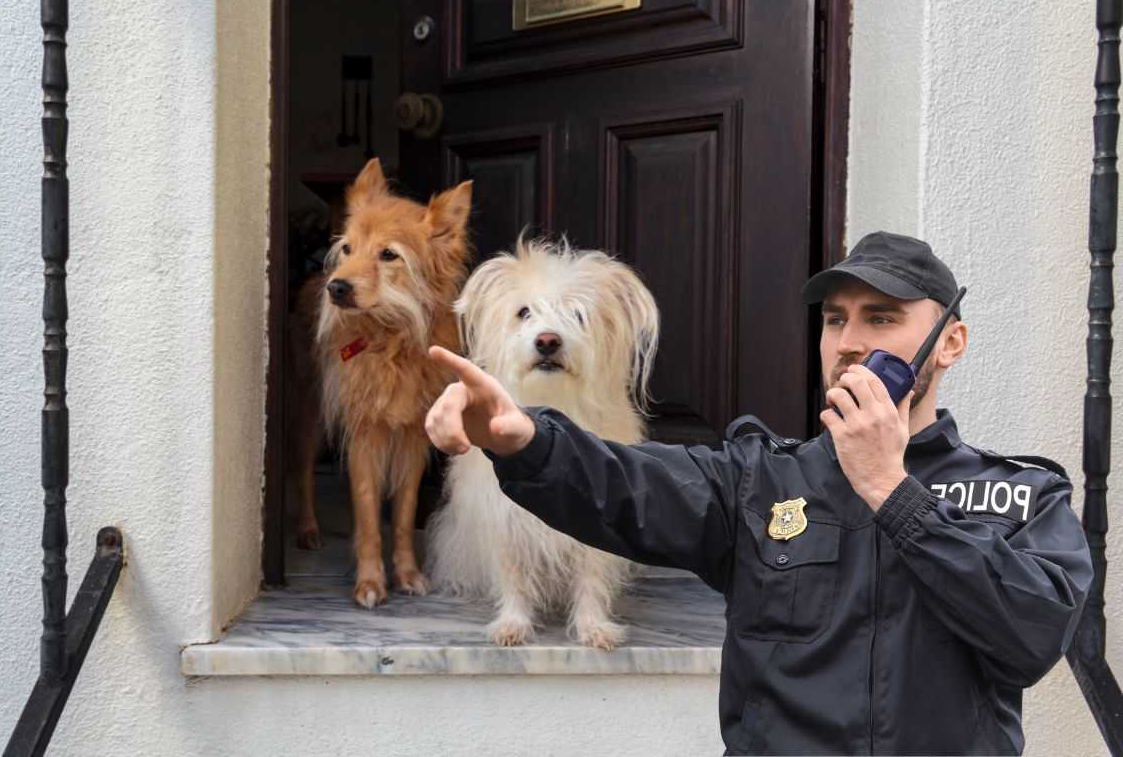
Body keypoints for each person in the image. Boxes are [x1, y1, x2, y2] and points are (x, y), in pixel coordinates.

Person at [424, 231, 1093, 755]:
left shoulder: (1017, 497)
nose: (850, 344)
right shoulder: (761, 480)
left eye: (882, 320)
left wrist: (893, 492)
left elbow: (1030, 637)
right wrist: (524, 439)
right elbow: (628, 484)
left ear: (951, 343)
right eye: (836, 321)